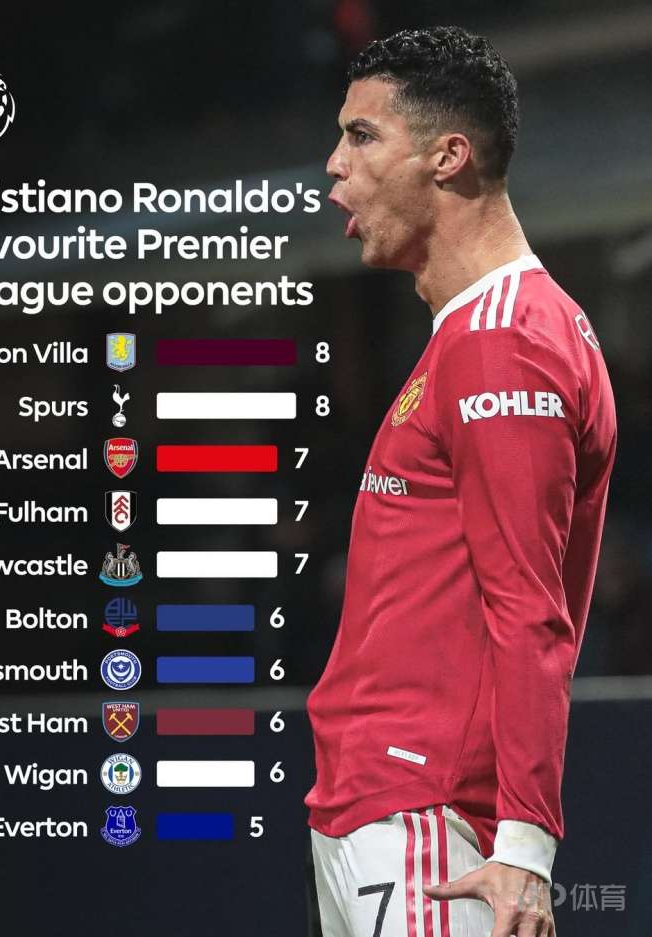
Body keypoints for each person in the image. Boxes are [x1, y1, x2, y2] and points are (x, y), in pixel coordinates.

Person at [305, 25, 617, 937]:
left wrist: (524, 844)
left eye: (362, 136)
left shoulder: (503, 342)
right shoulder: (478, 333)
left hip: (429, 815)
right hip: (382, 802)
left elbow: (529, 608)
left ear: (448, 157)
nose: (334, 165)